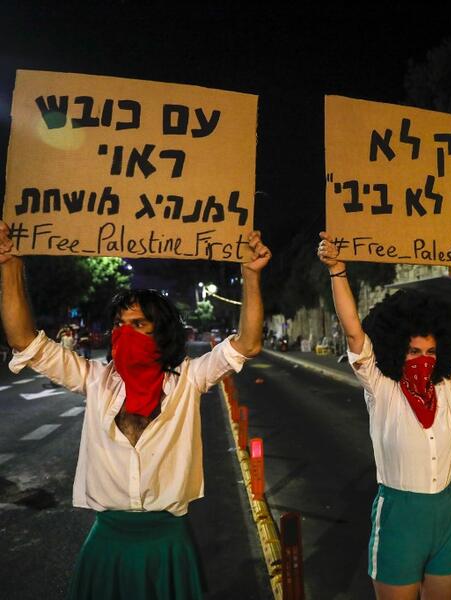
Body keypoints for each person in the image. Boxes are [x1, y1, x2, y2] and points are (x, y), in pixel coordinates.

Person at [0, 221, 271, 600]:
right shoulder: (94, 379)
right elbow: (24, 341)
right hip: (107, 544)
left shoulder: (189, 380)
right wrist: (10, 265)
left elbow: (247, 343)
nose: (124, 333)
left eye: (138, 324)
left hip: (167, 545)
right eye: (119, 325)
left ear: (160, 332)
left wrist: (250, 275)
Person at [317, 231, 451, 600]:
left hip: (447, 514)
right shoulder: (381, 386)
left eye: (429, 351)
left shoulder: (444, 384)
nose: (423, 360)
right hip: (399, 518)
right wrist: (337, 271)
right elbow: (353, 333)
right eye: (413, 351)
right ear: (396, 350)